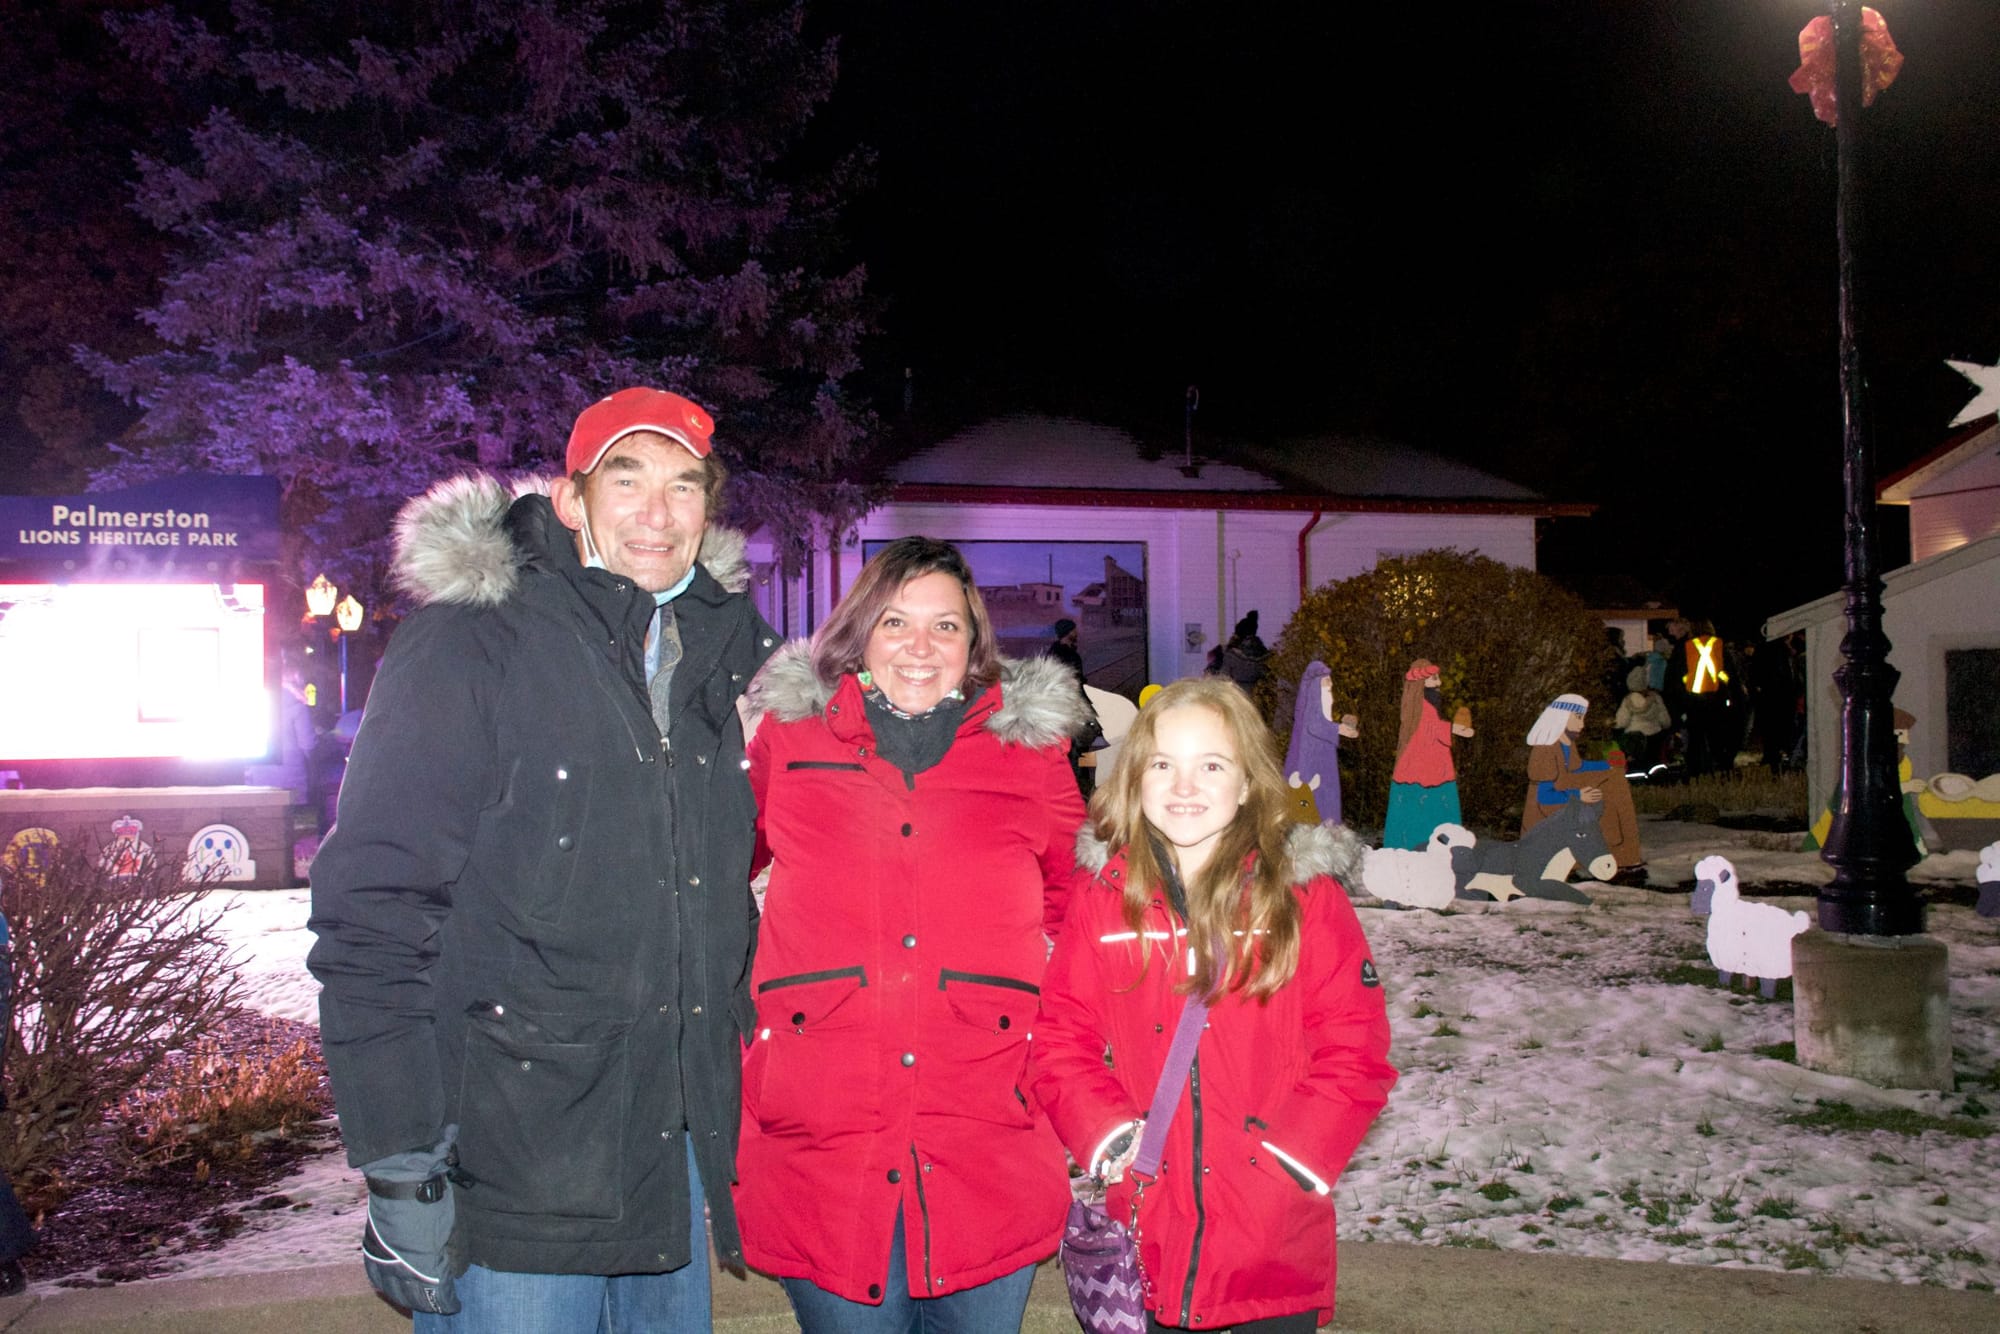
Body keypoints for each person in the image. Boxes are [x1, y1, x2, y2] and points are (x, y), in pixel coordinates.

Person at [307, 387, 777, 1330]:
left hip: (669, 1150)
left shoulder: (714, 656)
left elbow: (715, 902)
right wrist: (400, 1160)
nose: (657, 513)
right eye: (627, 480)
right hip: (513, 1162)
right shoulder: (473, 639)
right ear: (571, 500)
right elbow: (374, 905)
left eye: (684, 486)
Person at [733, 536, 1088, 1330]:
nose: (919, 647)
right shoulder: (793, 739)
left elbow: (1089, 911)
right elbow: (706, 873)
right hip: (822, 1127)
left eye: (944, 626)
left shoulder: (1029, 755)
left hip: (985, 1126)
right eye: (895, 622)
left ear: (974, 642)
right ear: (860, 633)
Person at [1029, 677, 1396, 1333]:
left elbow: (1355, 1049)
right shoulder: (1105, 897)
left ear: (1249, 782)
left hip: (1271, 1239)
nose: (1184, 786)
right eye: (1162, 765)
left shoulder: (1304, 900)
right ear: (1135, 779)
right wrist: (1109, 1135)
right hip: (1150, 1229)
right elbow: (1060, 1039)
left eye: (1211, 766)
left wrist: (1292, 1163)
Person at [1522, 693, 1645, 880]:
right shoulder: (1545, 749)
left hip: (1566, 796)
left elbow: (1577, 767)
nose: (1582, 724)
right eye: (1578, 718)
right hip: (1549, 811)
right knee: (1601, 798)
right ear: (1562, 717)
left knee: (1614, 780)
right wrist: (1578, 795)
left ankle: (1624, 854)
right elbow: (1544, 797)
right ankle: (1604, 855)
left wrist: (1609, 766)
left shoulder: (1566, 743)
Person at [1381, 658, 1473, 850]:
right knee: (1424, 808)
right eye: (1434, 678)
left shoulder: (1429, 702)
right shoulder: (1420, 706)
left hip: (1432, 761)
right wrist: (1455, 729)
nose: (1439, 682)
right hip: (1423, 768)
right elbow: (1431, 728)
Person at [1612, 666, 1673, 774]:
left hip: (1634, 739)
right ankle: (1656, 777)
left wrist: (1612, 724)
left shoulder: (1628, 701)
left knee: (1636, 764)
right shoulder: (1656, 699)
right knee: (1654, 762)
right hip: (1654, 736)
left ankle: (1637, 777)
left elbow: (1622, 722)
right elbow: (1665, 721)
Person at [1221, 611, 1269, 691]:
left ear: (1238, 635)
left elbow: (1223, 680)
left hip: (1239, 696)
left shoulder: (1231, 656)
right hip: (1262, 696)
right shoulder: (1270, 657)